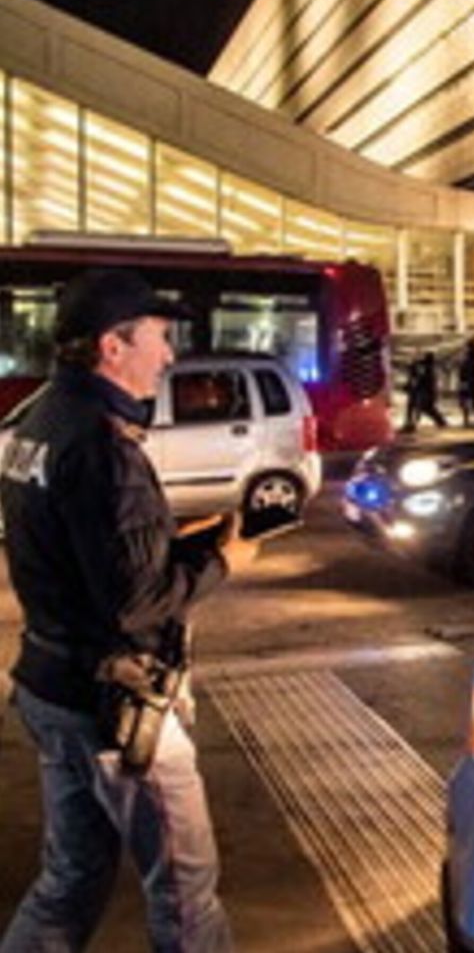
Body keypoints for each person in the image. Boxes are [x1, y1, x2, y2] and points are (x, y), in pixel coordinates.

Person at [0, 268, 259, 953]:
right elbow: (135, 601)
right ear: (114, 347)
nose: (170, 355)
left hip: (50, 685)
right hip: (114, 709)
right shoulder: (104, 445)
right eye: (159, 337)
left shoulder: (37, 420)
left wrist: (177, 541)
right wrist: (227, 559)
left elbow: (80, 548)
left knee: (71, 877)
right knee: (184, 889)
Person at [457, 337, 474, 426]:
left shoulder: (469, 359)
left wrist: (464, 383)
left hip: (468, 383)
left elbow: (465, 372)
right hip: (473, 383)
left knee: (466, 402)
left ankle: (467, 420)